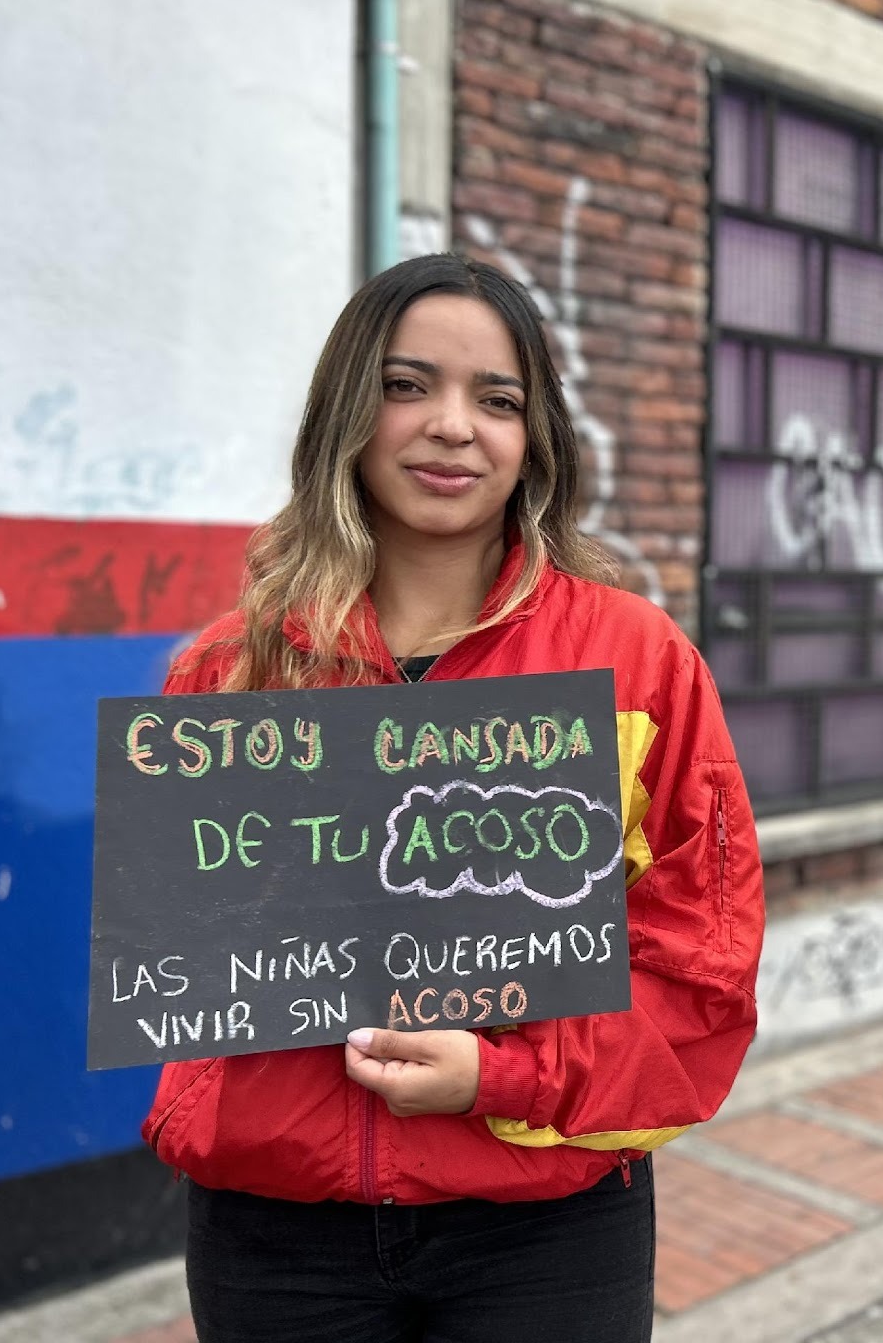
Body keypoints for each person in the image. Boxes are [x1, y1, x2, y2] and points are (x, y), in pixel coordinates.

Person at [143, 254, 764, 1342]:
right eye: (404, 385)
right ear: (348, 409)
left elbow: (702, 976)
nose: (450, 426)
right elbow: (184, 951)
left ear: (536, 441)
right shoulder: (229, 670)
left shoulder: (636, 662)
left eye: (497, 399)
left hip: (544, 1235)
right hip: (272, 1234)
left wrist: (501, 1073)